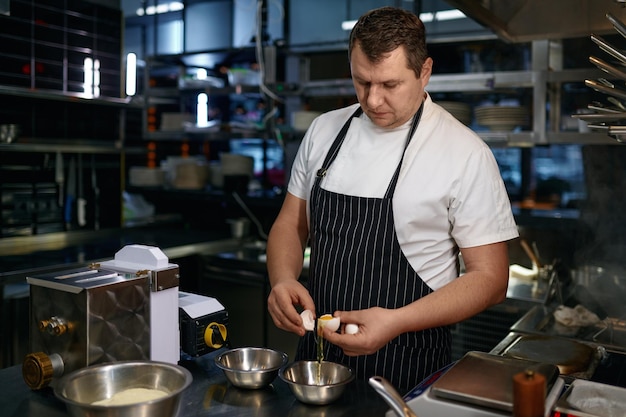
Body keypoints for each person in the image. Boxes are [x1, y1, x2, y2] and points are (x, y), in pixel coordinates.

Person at [266, 6, 519, 394]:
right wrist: (282, 279)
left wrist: (396, 321)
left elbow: (490, 278)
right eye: (361, 82)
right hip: (317, 362)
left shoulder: (464, 153)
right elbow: (290, 223)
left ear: (425, 71)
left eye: (390, 84)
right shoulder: (324, 131)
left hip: (408, 364)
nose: (374, 99)